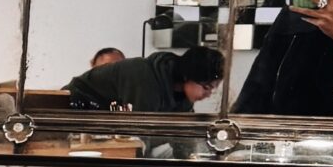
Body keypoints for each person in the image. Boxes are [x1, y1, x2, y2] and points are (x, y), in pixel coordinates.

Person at [65, 43, 222, 112]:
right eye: (207, 87)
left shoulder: (183, 97)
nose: (208, 94)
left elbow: (184, 134)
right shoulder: (145, 79)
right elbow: (137, 133)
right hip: (75, 107)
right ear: (188, 76)